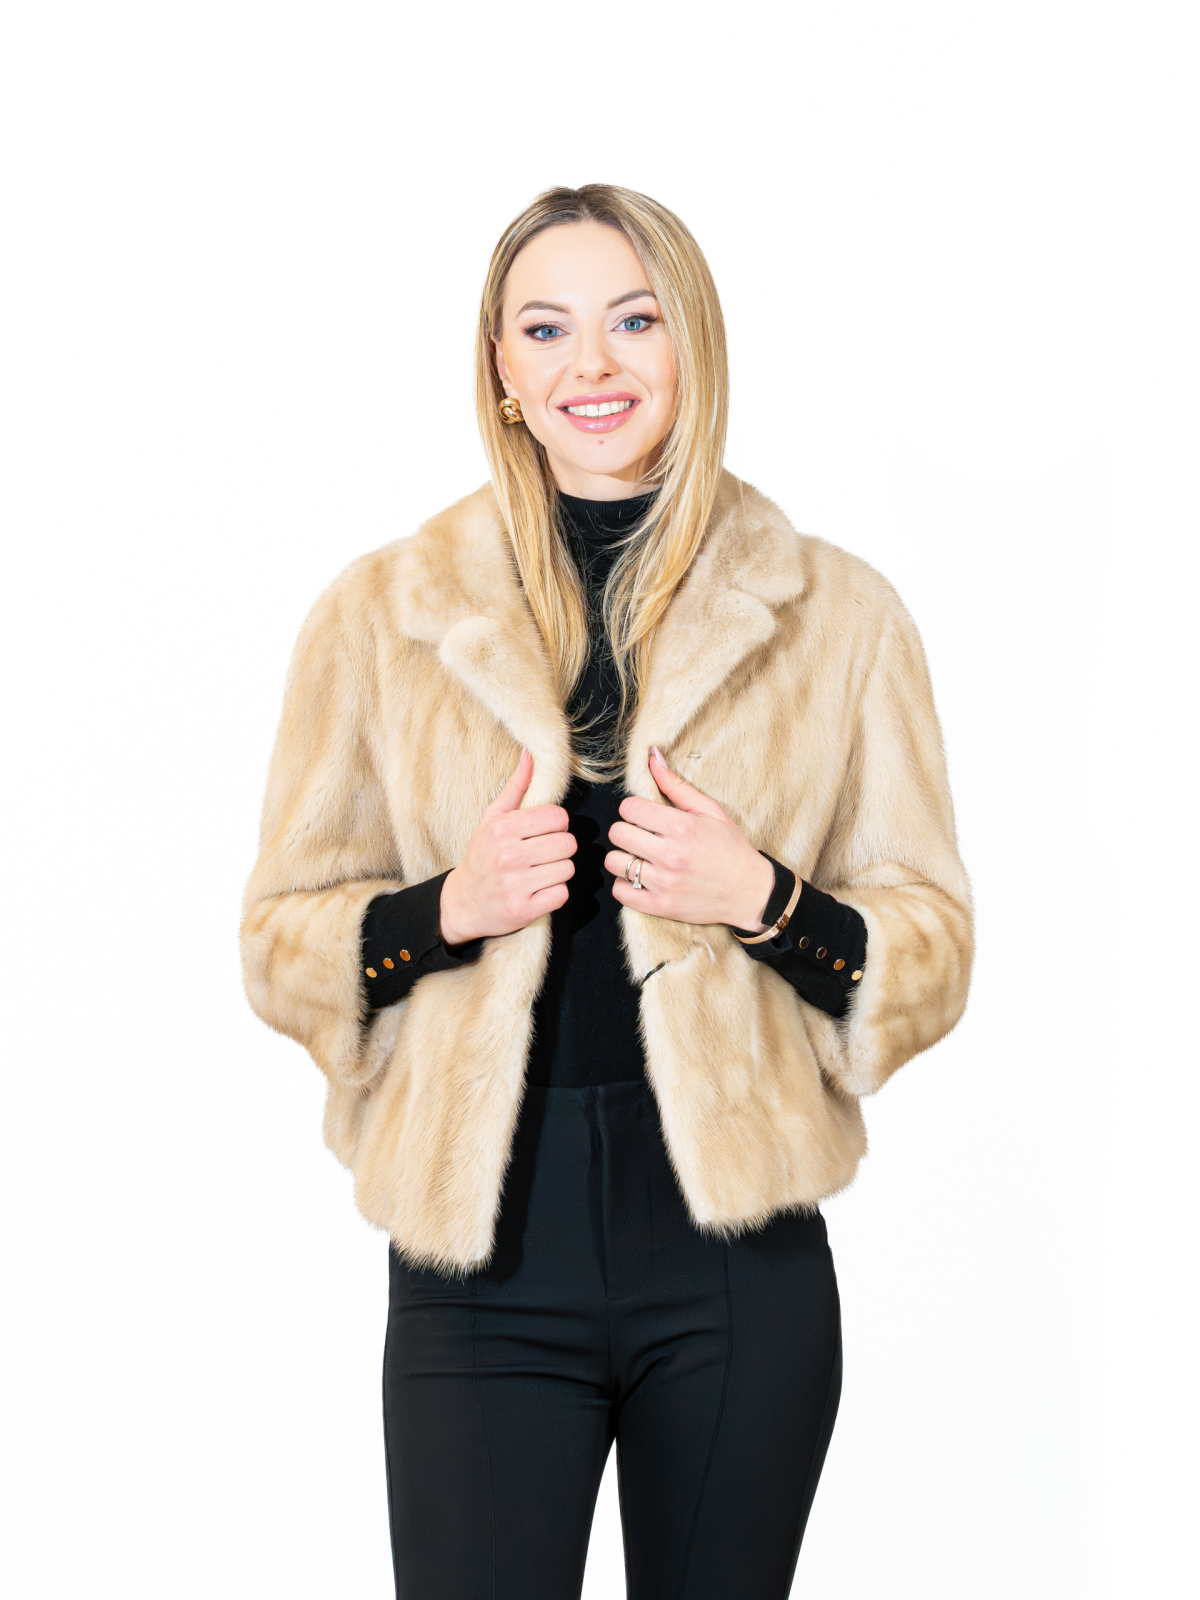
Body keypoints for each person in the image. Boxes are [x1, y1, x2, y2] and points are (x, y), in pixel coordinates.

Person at [241, 184, 973, 1599]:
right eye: (547, 328)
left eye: (635, 321)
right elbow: (279, 939)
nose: (593, 364)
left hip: (736, 1263)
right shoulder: (380, 616)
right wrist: (442, 911)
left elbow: (931, 944)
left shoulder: (841, 615)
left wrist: (765, 896)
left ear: (692, 342)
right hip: (478, 1260)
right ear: (501, 371)